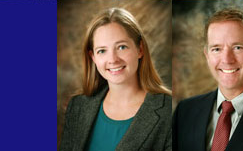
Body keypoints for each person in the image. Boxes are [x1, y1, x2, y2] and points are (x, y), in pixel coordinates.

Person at [173, 8, 243, 151]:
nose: (227, 59)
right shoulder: (185, 111)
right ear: (207, 55)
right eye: (216, 49)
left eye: (237, 47)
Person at [60, 8, 172, 151]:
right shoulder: (78, 106)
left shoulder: (168, 111)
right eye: (102, 51)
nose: (113, 59)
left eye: (121, 47)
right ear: (93, 57)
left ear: (140, 49)